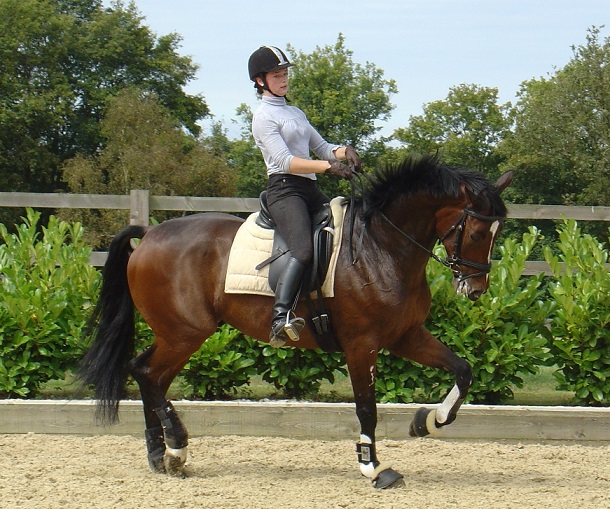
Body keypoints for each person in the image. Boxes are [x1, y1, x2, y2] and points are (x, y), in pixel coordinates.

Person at [248, 45, 362, 348]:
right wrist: (329, 167)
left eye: (285, 73)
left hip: (310, 189)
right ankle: (280, 318)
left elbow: (322, 147)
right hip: (285, 190)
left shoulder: (294, 113)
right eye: (277, 75)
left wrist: (343, 151)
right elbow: (285, 161)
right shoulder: (263, 117)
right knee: (303, 250)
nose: (284, 79)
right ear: (260, 80)